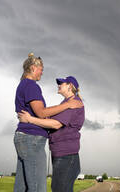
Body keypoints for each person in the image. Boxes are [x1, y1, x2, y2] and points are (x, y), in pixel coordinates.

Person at [14, 53, 83, 192]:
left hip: (62, 153)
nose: (42, 72)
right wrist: (66, 106)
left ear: (70, 86)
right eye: (41, 69)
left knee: (24, 187)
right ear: (33, 68)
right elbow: (42, 113)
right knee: (37, 188)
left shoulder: (74, 102)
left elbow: (54, 123)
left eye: (61, 83)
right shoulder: (31, 86)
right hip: (32, 140)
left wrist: (31, 119)